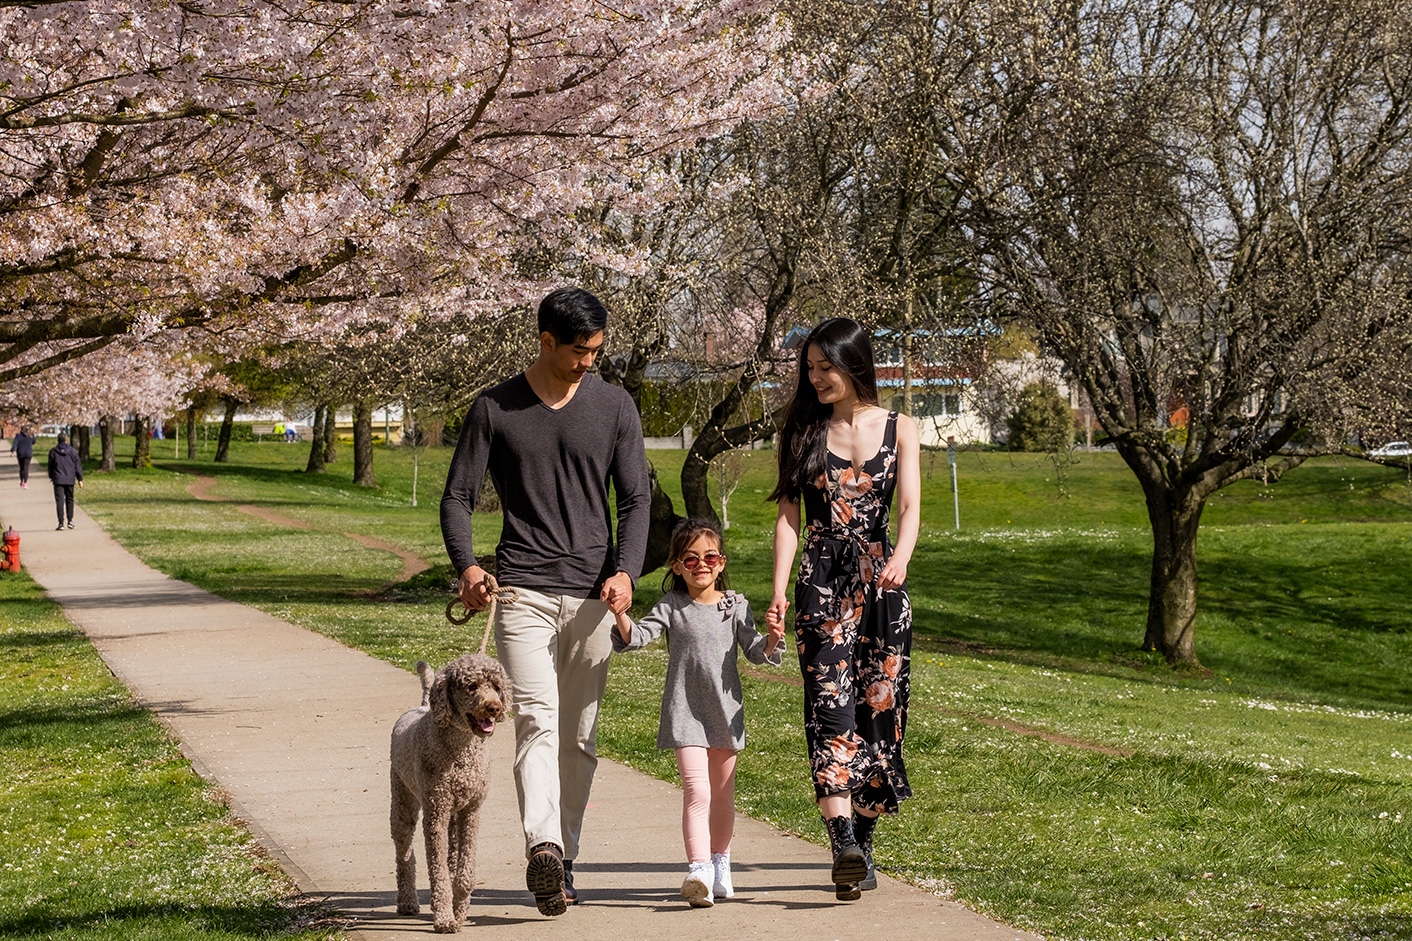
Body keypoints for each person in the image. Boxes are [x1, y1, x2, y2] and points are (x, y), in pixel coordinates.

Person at [440, 286, 650, 917]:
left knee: (579, 738)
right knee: (536, 719)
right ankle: (545, 847)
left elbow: (636, 499)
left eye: (597, 350)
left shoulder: (615, 406)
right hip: (523, 591)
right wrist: (469, 566)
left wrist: (628, 573)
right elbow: (456, 498)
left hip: (592, 597)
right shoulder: (494, 408)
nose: (590, 361)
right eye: (580, 351)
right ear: (546, 341)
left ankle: (566, 862)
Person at [765, 317, 920, 901]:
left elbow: (909, 507)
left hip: (884, 584)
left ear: (854, 364)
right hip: (822, 583)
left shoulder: (903, 428)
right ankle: (841, 843)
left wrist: (900, 557)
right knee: (831, 707)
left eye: (825, 367)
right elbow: (787, 518)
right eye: (810, 369)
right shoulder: (802, 430)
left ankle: (864, 838)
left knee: (879, 710)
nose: (816, 378)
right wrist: (779, 591)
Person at [611, 518, 784, 908]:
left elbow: (757, 651)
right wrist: (620, 612)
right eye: (690, 560)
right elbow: (636, 637)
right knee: (697, 791)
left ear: (721, 563)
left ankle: (721, 865)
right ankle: (698, 868)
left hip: (725, 712)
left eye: (709, 557)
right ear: (676, 566)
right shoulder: (672, 605)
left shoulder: (734, 605)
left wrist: (773, 635)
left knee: (723, 798)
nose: (701, 565)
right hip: (684, 711)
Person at [47, 432, 84, 531]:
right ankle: (70, 520)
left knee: (60, 502)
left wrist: (51, 477)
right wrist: (79, 478)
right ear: (66, 440)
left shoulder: (53, 452)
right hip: (70, 479)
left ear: (58, 441)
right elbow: (77, 465)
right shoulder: (72, 451)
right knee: (70, 500)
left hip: (58, 479)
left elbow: (50, 466)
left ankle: (60, 523)